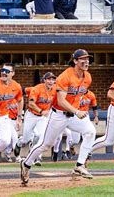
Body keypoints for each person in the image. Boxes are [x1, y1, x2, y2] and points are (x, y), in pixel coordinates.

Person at [20, 49, 96, 185]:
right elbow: (61, 101)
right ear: (75, 61)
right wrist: (77, 111)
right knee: (45, 144)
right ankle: (26, 164)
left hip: (73, 114)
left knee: (90, 132)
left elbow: (78, 95)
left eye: (88, 59)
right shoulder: (65, 76)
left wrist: (77, 110)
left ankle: (80, 165)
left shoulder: (88, 77)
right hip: (59, 115)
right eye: (82, 59)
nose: (86, 61)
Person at [14, 72, 57, 160]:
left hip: (43, 117)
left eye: (53, 79)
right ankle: (19, 143)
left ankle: (33, 152)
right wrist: (41, 111)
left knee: (40, 135)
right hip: (31, 115)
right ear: (44, 80)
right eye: (49, 79)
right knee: (26, 139)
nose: (51, 81)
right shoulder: (36, 89)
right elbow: (31, 103)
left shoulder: (55, 90)